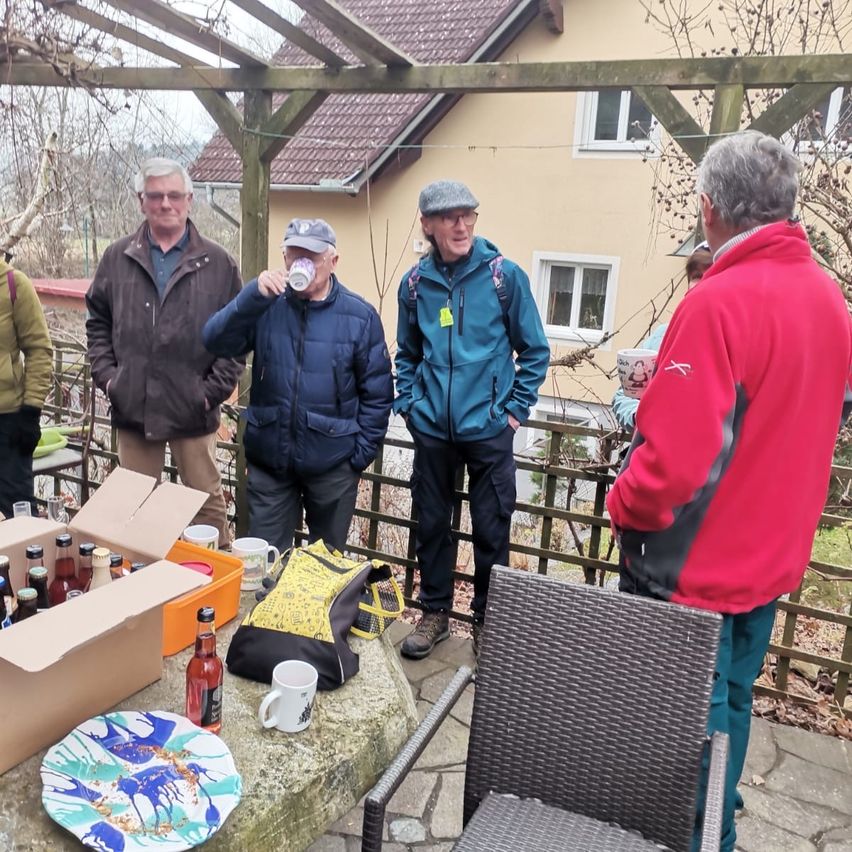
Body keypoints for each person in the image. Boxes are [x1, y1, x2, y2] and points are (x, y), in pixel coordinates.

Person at [606, 130, 852, 852]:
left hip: (695, 570)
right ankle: (719, 822)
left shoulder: (717, 303)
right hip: (770, 559)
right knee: (732, 706)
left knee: (680, 732)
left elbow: (676, 466)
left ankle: (702, 839)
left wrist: (624, 506)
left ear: (710, 209)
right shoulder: (829, 299)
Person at [395, 180, 550, 660]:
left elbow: (536, 351)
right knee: (433, 525)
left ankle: (487, 623)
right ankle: (435, 613)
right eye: (449, 217)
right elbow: (406, 355)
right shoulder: (416, 286)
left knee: (491, 529)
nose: (461, 225)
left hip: (488, 432)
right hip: (433, 433)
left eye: (468, 215)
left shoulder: (505, 278)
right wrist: (410, 406)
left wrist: (511, 414)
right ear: (428, 225)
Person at [202, 218, 393, 554]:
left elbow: (377, 395)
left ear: (333, 262)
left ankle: (320, 610)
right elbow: (214, 340)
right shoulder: (266, 305)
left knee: (324, 567)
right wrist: (251, 296)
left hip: (333, 464)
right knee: (264, 562)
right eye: (293, 255)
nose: (300, 264)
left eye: (311, 257)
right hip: (270, 463)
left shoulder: (359, 316)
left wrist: (356, 458)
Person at [86, 158, 243, 548]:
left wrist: (209, 392)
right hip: (133, 403)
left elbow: (237, 338)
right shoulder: (117, 258)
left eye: (174, 195)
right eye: (155, 196)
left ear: (189, 200)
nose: (165, 204)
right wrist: (110, 379)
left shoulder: (218, 263)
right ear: (142, 201)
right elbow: (98, 323)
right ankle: (140, 583)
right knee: (133, 505)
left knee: (206, 502)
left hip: (192, 405)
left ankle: (215, 581)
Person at [611, 244, 713, 429]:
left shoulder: (730, 342)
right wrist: (639, 416)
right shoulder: (663, 335)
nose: (700, 284)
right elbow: (624, 395)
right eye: (696, 277)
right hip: (652, 450)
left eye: (709, 276)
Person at [0, 256, 52, 518]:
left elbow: (39, 350)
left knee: (16, 512)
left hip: (9, 423)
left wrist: (31, 412)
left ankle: (25, 558)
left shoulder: (14, 285)